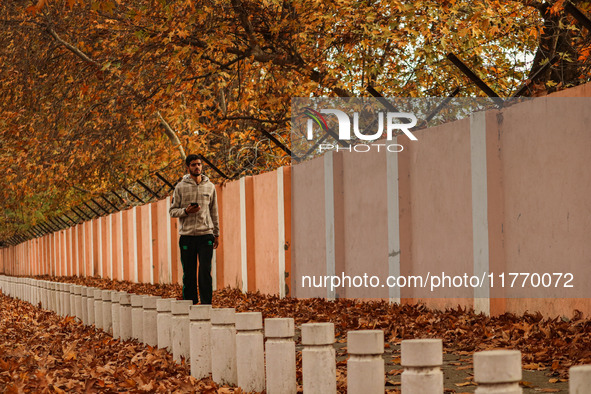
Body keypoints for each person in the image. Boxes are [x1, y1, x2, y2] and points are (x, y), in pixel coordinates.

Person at [169, 154, 219, 305]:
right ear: (187, 167)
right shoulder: (180, 187)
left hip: (206, 235)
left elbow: (214, 211)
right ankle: (189, 303)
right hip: (187, 236)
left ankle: (206, 304)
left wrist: (216, 234)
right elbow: (172, 211)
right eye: (193, 165)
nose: (197, 167)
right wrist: (186, 211)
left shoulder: (210, 187)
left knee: (205, 270)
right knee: (189, 272)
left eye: (199, 164)